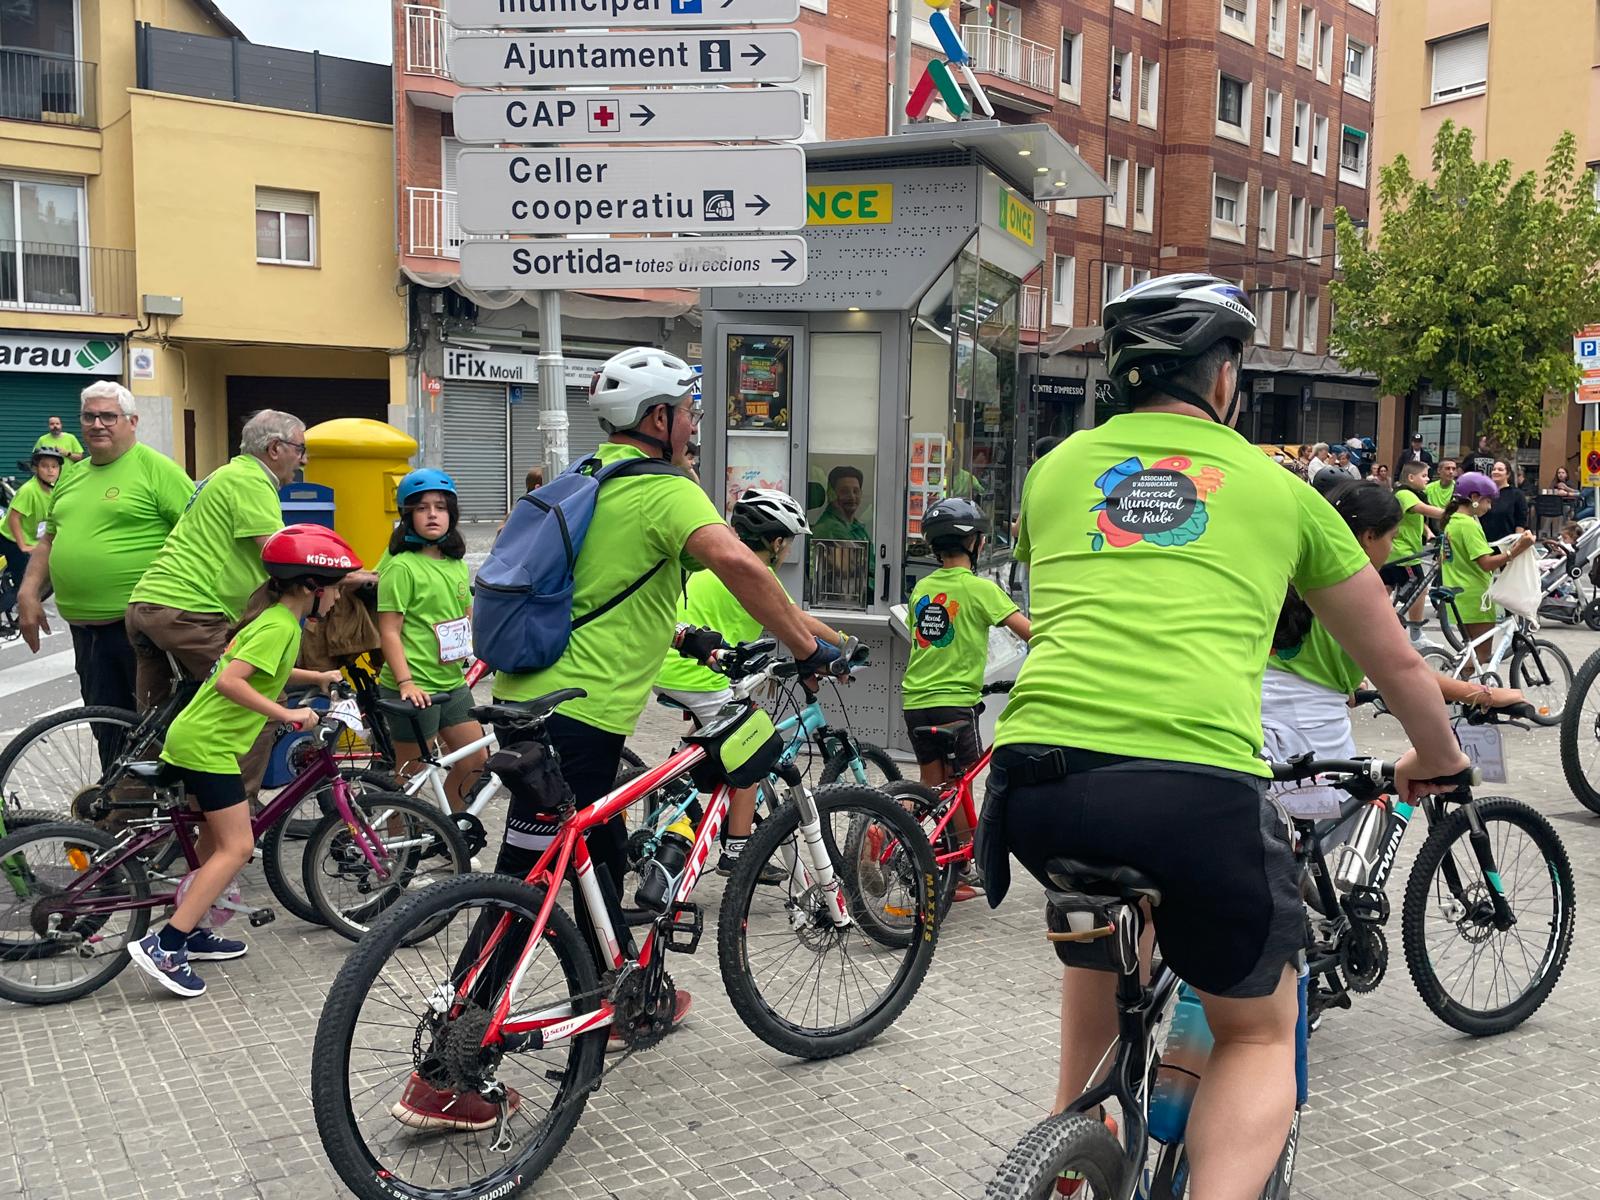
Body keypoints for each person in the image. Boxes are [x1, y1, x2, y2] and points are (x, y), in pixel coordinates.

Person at [980, 273, 1466, 1200]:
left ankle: (1076, 1133)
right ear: (1224, 375)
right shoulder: (1279, 491)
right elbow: (1399, 665)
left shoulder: (1055, 471)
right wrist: (1437, 761)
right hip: (1193, 792)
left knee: (1103, 917)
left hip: (1037, 781)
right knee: (1257, 1031)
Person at [481, 347, 848, 1050]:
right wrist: (807, 646)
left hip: (531, 695)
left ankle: (628, 997)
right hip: (578, 713)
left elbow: (598, 589)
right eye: (689, 412)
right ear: (658, 419)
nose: (694, 424)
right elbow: (738, 562)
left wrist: (683, 636)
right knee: (522, 887)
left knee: (598, 860)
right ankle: (449, 1059)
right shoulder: (664, 486)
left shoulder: (589, 476)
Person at [125, 526, 355, 998]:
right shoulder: (278, 626)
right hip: (207, 746)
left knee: (213, 843)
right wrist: (287, 714)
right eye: (334, 589)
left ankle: (193, 928)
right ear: (311, 587)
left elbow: (267, 669)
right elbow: (232, 681)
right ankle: (164, 945)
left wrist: (317, 677)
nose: (336, 599)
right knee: (237, 846)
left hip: (201, 739)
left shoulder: (277, 621)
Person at [1265, 477, 1523, 832]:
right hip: (1311, 733)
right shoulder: (1352, 591)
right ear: (1369, 537)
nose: (1392, 548)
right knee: (1359, 811)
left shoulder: (1294, 573)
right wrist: (1485, 694)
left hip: (1259, 724)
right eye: (1392, 537)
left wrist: (1347, 682)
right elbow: (1403, 669)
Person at [652, 487, 811, 881]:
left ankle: (679, 779)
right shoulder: (754, 572)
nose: (788, 550)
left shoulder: (716, 563)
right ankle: (737, 851)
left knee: (716, 737)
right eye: (789, 542)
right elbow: (795, 620)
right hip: (695, 672)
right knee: (753, 747)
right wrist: (838, 645)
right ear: (776, 542)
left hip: (669, 664)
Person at [17, 383, 194, 719]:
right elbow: (50, 539)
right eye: (89, 416)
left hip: (140, 630)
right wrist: (28, 592)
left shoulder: (159, 470)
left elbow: (199, 535)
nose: (97, 424)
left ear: (132, 421)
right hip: (85, 631)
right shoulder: (72, 476)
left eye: (109, 416)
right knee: (105, 724)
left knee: (152, 727)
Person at [125, 410, 305, 712]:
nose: (304, 460)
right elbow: (280, 553)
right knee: (261, 701)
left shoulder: (227, 474)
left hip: (150, 603)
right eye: (300, 449)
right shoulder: (251, 480)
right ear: (275, 448)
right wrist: (342, 575)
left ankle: (147, 744)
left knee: (161, 717)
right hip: (189, 612)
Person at [902, 496, 1030, 901]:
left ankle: (891, 827)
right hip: (955, 703)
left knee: (931, 784)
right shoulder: (979, 589)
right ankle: (961, 867)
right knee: (961, 785)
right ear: (975, 542)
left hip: (915, 701)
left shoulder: (923, 588)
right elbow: (1030, 632)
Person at [376, 469, 486, 813]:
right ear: (408, 516)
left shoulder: (455, 564)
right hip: (414, 686)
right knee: (411, 775)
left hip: (451, 682)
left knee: (475, 760)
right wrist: (405, 682)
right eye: (422, 508)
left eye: (440, 507)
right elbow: (389, 631)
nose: (433, 514)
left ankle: (447, 828)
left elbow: (464, 615)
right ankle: (394, 842)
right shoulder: (401, 568)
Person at [1441, 471, 1536, 664]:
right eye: (1488, 501)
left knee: (1472, 654)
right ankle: (1458, 682)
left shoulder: (1453, 521)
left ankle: (1459, 681)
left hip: (1458, 592)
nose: (1490, 506)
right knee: (1481, 656)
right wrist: (1516, 550)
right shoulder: (1468, 525)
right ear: (1474, 497)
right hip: (1475, 596)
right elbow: (1486, 563)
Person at [1379, 460, 1446, 650]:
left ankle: (1377, 627)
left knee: (1384, 592)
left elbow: (1414, 518)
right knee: (1420, 589)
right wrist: (1454, 513)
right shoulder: (1405, 493)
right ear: (1410, 477)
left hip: (1393, 552)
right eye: (1424, 476)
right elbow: (1422, 510)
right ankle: (1416, 635)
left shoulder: (1408, 495)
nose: (1427, 479)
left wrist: (1428, 532)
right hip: (1404, 553)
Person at [6, 446, 64, 554]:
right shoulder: (29, 490)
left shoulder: (53, 490)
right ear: (35, 469)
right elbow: (13, 518)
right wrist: (23, 546)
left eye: (54, 466)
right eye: (44, 466)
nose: (50, 470)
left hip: (32, 539)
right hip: (12, 539)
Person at [1480, 460, 1529, 543]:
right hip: (1484, 542)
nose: (1496, 472)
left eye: (1500, 469)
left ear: (1508, 474)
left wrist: (1516, 543)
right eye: (1494, 469)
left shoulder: (1517, 494)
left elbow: (1521, 521)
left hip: (1506, 543)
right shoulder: (1484, 493)